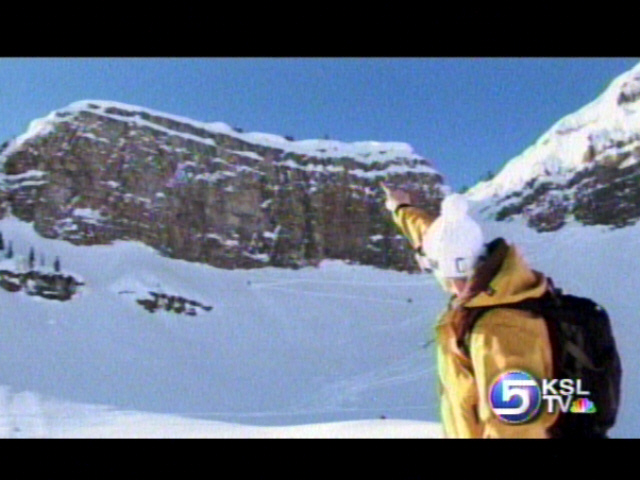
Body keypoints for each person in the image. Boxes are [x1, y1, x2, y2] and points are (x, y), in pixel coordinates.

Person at [381, 183, 559, 438]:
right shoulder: (489, 280)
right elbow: (434, 237)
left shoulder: (499, 330)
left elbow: (517, 429)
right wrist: (401, 207)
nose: (452, 286)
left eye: (454, 275)